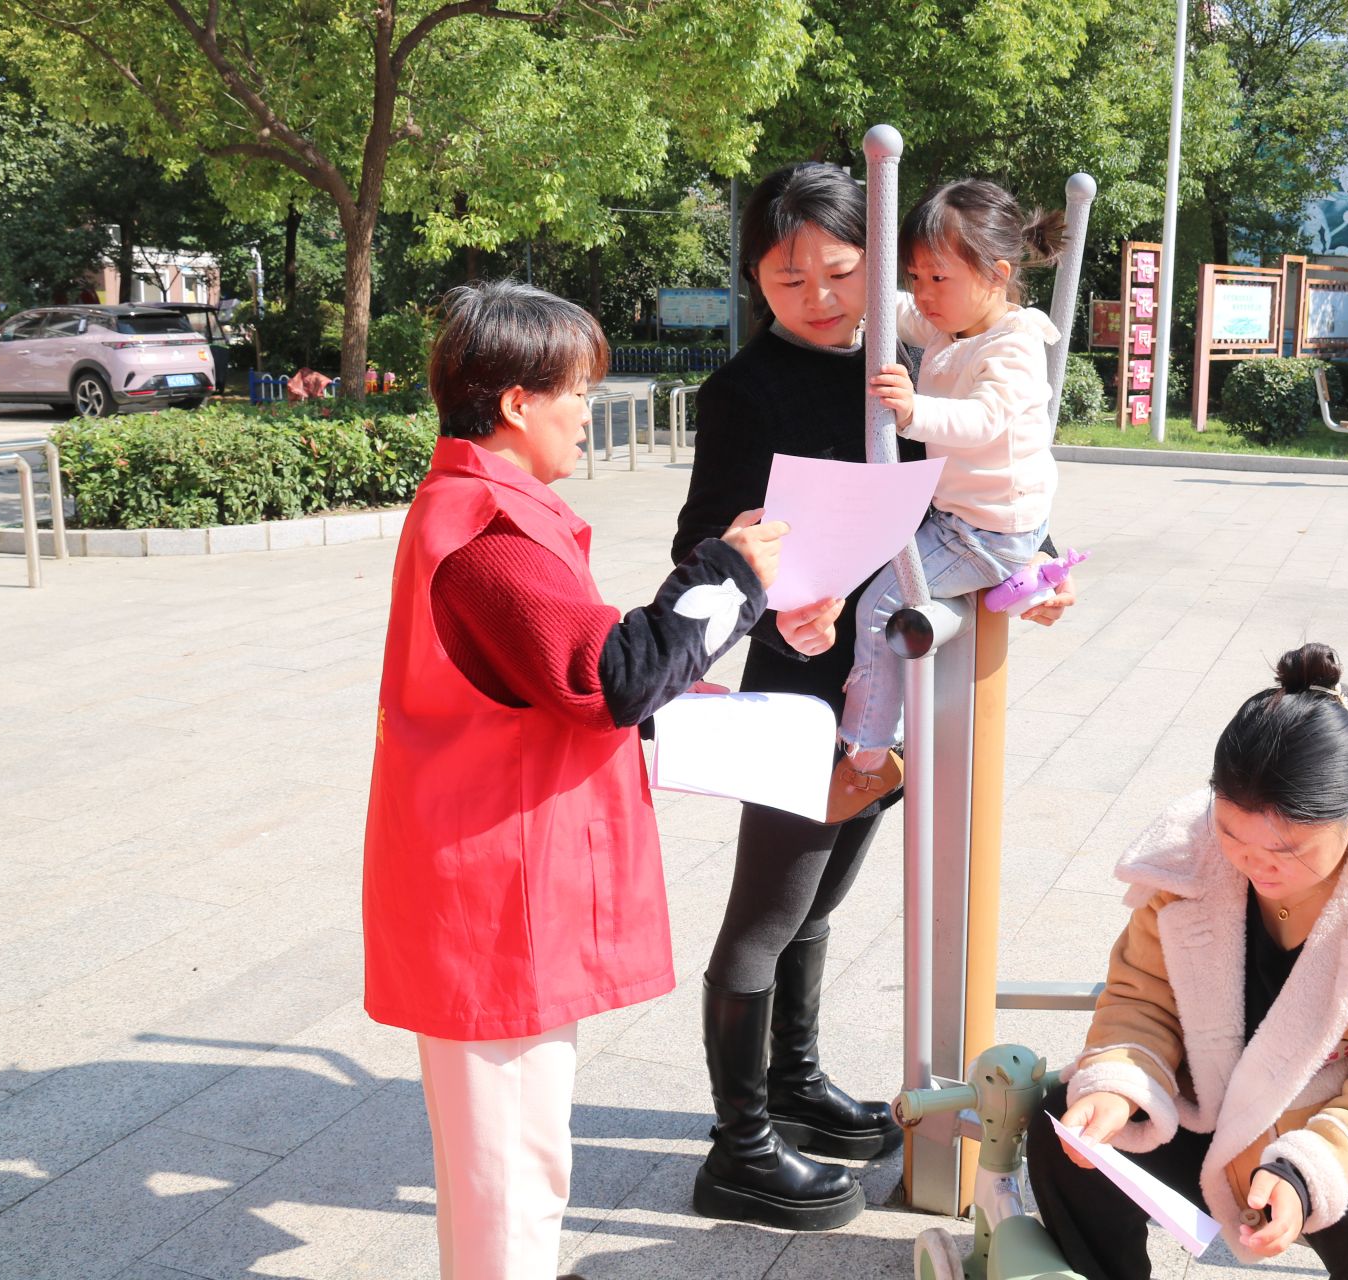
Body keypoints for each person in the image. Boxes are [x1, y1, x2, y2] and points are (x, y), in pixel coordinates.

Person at [671, 162, 1077, 1232]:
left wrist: (1031, 571)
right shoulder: (744, 388)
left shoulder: (911, 356)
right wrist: (771, 602)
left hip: (891, 684)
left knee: (820, 902)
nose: (819, 296)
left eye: (842, 271)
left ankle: (794, 1084)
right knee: (766, 912)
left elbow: (981, 488)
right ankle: (736, 1148)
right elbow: (700, 541)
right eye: (787, 276)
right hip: (803, 680)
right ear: (755, 279)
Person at [363, 280, 787, 1280]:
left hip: (494, 883)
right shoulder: (488, 533)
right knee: (514, 1179)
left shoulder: (483, 510)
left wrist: (732, 606)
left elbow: (589, 674)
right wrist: (731, 574)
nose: (588, 413)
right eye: (578, 393)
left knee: (514, 1168)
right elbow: (609, 677)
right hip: (496, 899)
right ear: (518, 402)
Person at [1027, 643, 1348, 1280]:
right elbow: (1142, 997)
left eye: (1287, 850)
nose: (1255, 864)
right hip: (1218, 1099)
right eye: (1232, 834)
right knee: (1067, 1128)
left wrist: (1305, 1169)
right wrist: (1118, 1084)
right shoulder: (1189, 858)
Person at [831, 178, 1064, 821]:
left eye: (939, 278)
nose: (925, 294)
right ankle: (1019, 583)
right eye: (916, 276)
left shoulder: (1012, 346)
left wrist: (911, 411)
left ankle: (869, 754)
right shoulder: (952, 325)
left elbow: (983, 420)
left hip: (986, 532)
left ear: (997, 275)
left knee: (882, 607)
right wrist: (853, 288)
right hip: (970, 518)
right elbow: (897, 311)